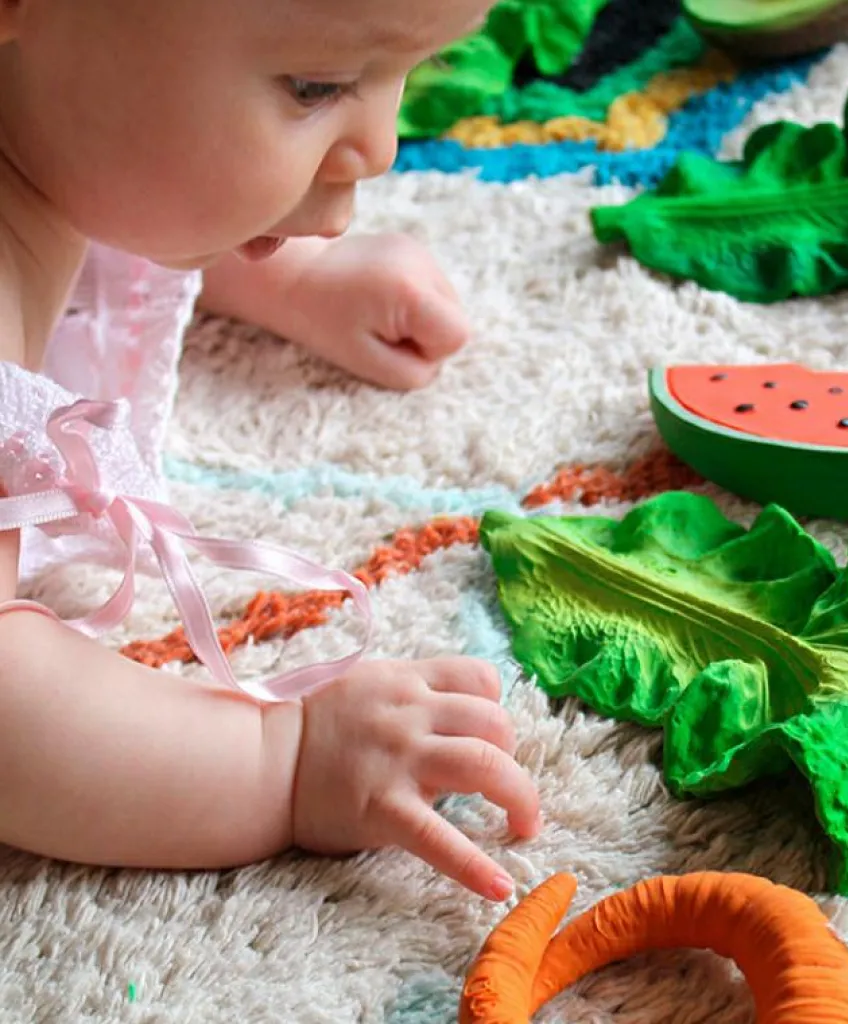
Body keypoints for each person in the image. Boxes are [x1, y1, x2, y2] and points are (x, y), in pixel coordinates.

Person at [0, 0, 541, 904]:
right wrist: (284, 763)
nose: (383, 148)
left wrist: (285, 273)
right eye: (317, 85)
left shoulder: (53, 109)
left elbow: (104, 140)